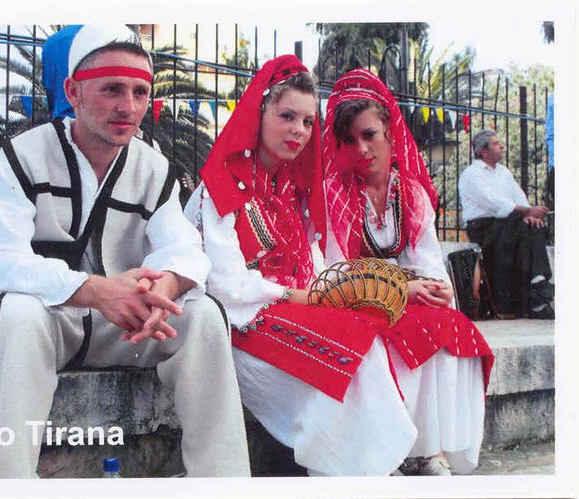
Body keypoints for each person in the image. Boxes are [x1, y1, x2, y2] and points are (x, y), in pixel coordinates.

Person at [0, 24, 250, 479]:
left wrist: (165, 285)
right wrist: (97, 290)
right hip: (51, 321)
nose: (128, 107)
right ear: (74, 92)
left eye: (140, 92)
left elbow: (188, 249)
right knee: (15, 311)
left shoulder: (154, 167)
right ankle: (8, 481)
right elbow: (2, 261)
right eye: (111, 90)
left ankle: (222, 479)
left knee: (203, 314)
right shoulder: (21, 156)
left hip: (126, 327)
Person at [186, 55, 457, 476]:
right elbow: (225, 286)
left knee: (371, 330)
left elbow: (314, 267)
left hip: (297, 308)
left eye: (308, 122)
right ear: (259, 112)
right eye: (287, 116)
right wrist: (304, 297)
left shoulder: (293, 189)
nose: (298, 130)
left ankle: (378, 462)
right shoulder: (220, 187)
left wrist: (343, 294)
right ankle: (348, 470)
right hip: (243, 322)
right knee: (351, 347)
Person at [321, 68, 495, 475]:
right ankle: (388, 451)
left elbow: (428, 261)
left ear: (390, 133)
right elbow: (335, 267)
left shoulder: (411, 193)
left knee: (448, 323)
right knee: (391, 331)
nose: (362, 148)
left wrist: (433, 287)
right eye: (350, 140)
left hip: (404, 291)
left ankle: (429, 449)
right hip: (354, 296)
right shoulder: (336, 193)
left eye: (370, 135)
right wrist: (402, 286)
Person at [458, 129, 554, 319]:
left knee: (531, 226)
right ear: (483, 151)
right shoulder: (471, 174)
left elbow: (519, 196)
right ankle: (536, 290)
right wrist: (526, 212)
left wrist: (530, 214)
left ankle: (538, 280)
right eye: (495, 144)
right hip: (482, 226)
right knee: (520, 224)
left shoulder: (504, 173)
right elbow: (493, 203)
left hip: (509, 223)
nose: (501, 146)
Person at [41, 24, 83, 119]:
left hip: (61, 117)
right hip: (93, 118)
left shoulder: (51, 42)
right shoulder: (102, 37)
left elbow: (48, 85)